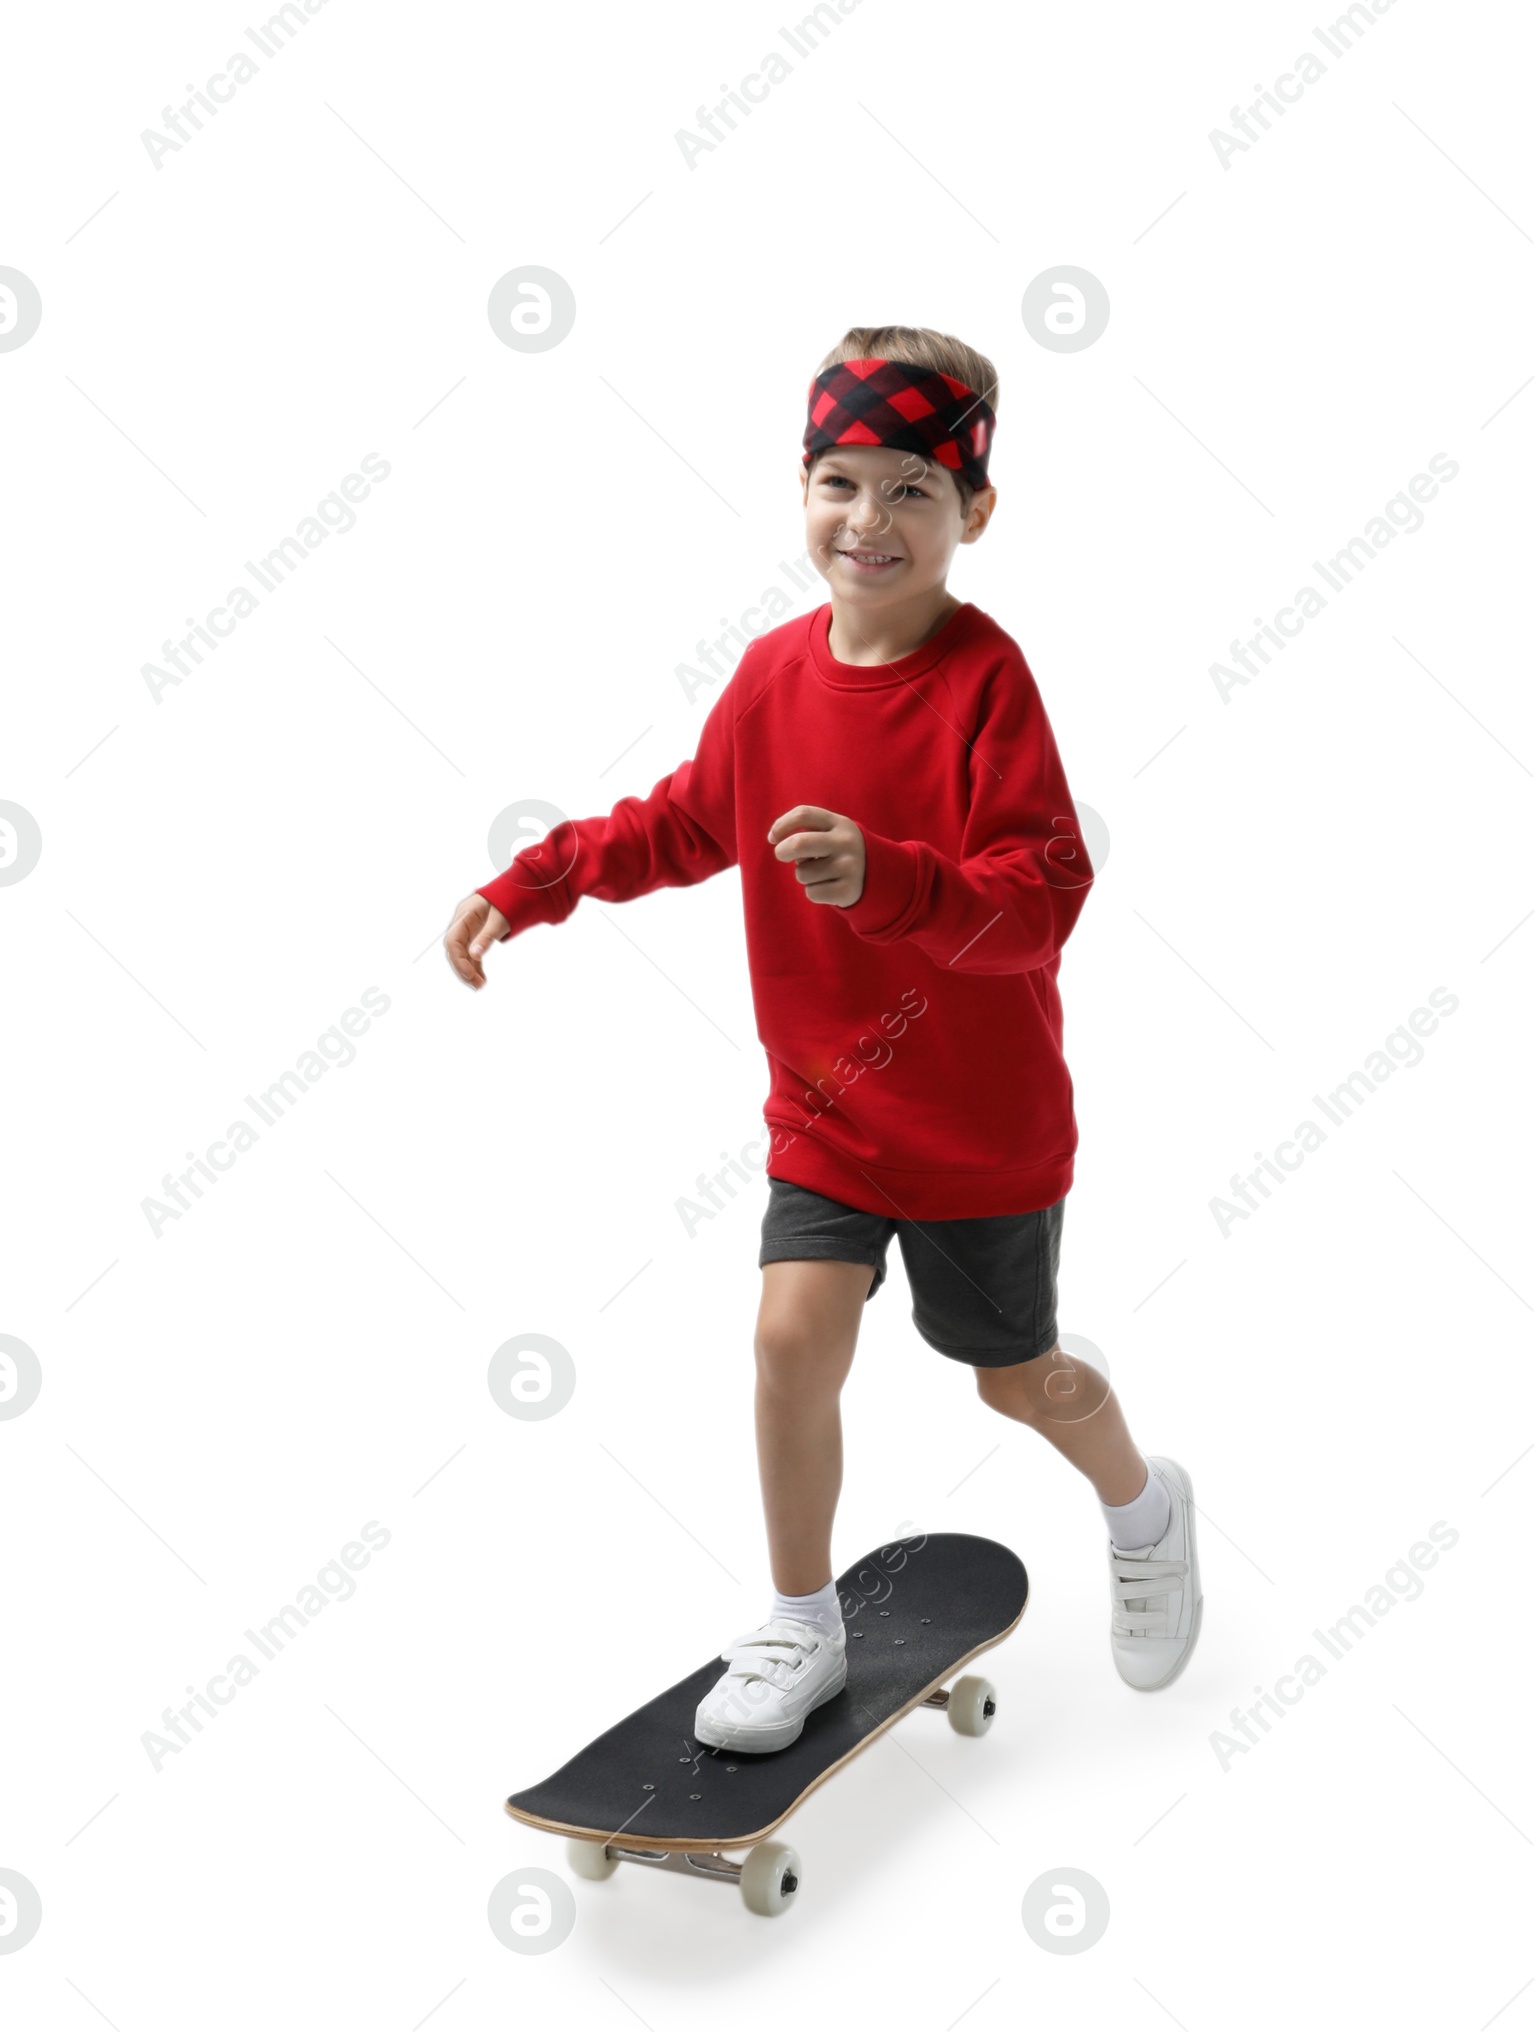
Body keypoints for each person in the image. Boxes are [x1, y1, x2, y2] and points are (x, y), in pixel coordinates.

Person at [443, 326, 1202, 1754]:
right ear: (801, 488)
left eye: (914, 489)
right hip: (830, 1113)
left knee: (1014, 1375)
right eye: (839, 481)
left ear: (975, 511)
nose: (870, 521)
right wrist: (530, 882)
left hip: (981, 1127)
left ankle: (1146, 1506)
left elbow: (1043, 903)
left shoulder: (987, 683)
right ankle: (801, 1616)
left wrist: (897, 878)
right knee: (791, 1338)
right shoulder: (773, 674)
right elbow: (686, 819)